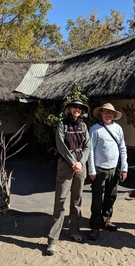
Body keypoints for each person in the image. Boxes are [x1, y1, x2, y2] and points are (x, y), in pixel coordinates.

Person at [46, 99, 91, 256]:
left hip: (80, 165)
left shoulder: (84, 126)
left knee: (77, 201)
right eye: (74, 107)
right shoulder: (62, 124)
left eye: (80, 108)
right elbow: (60, 145)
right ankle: (52, 240)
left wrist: (81, 162)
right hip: (66, 165)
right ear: (70, 109)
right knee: (60, 201)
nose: (77, 109)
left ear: (82, 110)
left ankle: (74, 230)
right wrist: (73, 162)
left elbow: (87, 146)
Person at [88, 103, 128, 240]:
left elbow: (122, 148)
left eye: (110, 112)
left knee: (111, 196)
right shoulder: (95, 129)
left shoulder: (118, 128)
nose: (108, 114)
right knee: (97, 199)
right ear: (101, 114)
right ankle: (94, 225)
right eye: (105, 112)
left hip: (114, 168)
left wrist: (124, 168)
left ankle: (106, 220)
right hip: (99, 169)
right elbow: (90, 151)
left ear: (114, 115)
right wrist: (92, 169)